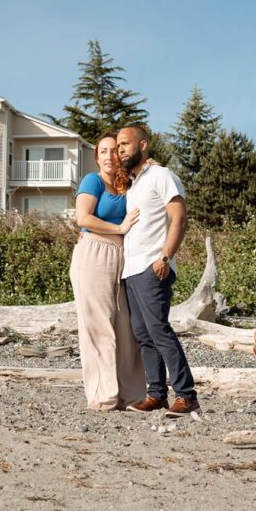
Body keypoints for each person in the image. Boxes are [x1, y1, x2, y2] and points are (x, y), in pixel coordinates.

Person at [116, 125, 200, 416]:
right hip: (132, 270)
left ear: (143, 145)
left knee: (159, 329)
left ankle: (187, 395)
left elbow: (179, 218)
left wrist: (165, 256)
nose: (121, 149)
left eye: (125, 143)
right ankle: (156, 394)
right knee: (143, 333)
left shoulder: (162, 176)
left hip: (154, 266)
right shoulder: (135, 184)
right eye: (118, 146)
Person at [69, 132, 147, 411]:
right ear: (96, 157)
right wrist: (119, 228)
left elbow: (150, 165)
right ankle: (104, 395)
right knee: (99, 326)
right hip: (95, 253)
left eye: (115, 150)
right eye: (103, 151)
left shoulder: (128, 183)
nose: (110, 156)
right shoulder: (93, 181)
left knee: (127, 327)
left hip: (123, 257)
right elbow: (83, 218)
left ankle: (133, 393)